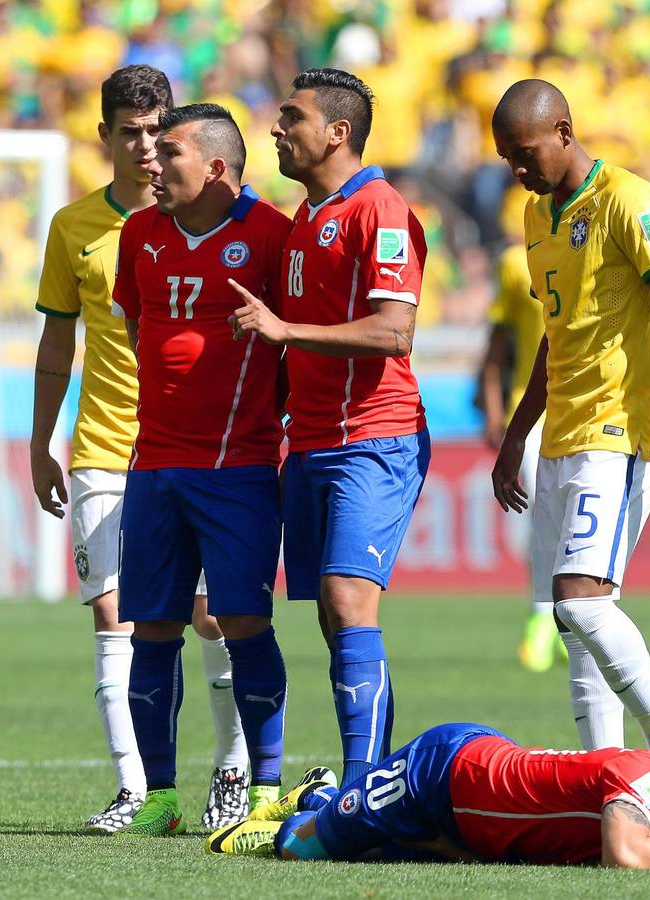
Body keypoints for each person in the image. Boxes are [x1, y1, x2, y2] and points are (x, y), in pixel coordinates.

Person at [29, 65, 251, 833]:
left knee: (212, 618)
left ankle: (231, 771)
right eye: (130, 132)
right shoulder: (73, 228)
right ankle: (136, 791)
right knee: (113, 619)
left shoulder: (208, 221)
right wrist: (39, 443)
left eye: (158, 132)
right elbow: (56, 346)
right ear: (105, 137)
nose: (146, 147)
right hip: (101, 446)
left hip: (190, 446)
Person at [489, 80, 650, 774]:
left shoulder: (627, 200)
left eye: (523, 154)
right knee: (576, 623)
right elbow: (556, 338)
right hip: (561, 434)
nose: (517, 171)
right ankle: (607, 778)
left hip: (618, 432)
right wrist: (517, 433)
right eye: (505, 159)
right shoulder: (535, 215)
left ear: (562, 129)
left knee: (580, 605)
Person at [231, 68, 430, 788]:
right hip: (309, 442)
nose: (276, 128)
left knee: (349, 600)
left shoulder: (379, 210)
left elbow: (392, 334)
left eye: (292, 117)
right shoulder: (302, 221)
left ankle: (362, 788)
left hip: (373, 437)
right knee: (329, 615)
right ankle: (368, 775)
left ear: (337, 133)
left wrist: (285, 330)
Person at [110, 104, 293, 836]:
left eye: (171, 151)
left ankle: (263, 790)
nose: (152, 161)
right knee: (151, 628)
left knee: (241, 620)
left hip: (238, 467)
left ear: (216, 166)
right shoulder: (138, 233)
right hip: (154, 463)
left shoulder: (272, 236)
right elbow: (136, 322)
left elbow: (297, 343)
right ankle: (158, 797)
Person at [205, 722, 650, 869]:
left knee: (377, 859)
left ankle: (333, 805)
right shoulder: (648, 776)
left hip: (469, 833)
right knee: (301, 854)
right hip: (438, 770)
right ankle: (309, 805)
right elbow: (625, 857)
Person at [475, 204, 563, 673]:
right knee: (540, 518)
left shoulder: (600, 239)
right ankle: (541, 618)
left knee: (573, 520)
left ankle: (569, 616)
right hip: (528, 412)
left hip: (586, 409)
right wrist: (494, 412)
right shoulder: (515, 263)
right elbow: (498, 343)